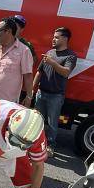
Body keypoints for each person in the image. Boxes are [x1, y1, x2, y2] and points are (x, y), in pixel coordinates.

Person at [33, 27, 77, 157]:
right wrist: (32, 89)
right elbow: (39, 72)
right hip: (41, 93)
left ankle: (50, 145)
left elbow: (66, 72)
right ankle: (34, 143)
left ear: (65, 39)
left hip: (56, 96)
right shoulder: (50, 52)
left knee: (52, 123)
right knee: (37, 120)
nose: (53, 39)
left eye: (57, 37)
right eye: (53, 37)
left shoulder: (71, 56)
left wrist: (52, 63)